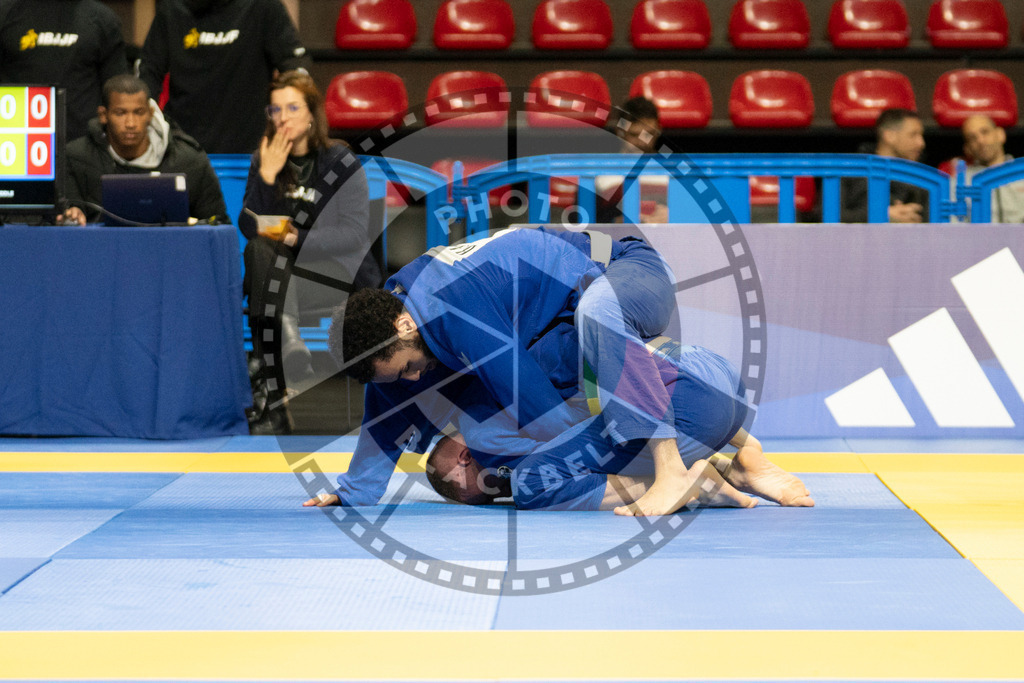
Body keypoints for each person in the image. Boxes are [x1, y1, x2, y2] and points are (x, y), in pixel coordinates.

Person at [309, 227, 721, 516]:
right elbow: (384, 414)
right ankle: (728, 453)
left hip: (630, 270)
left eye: (409, 368)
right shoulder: (400, 325)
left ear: (404, 325)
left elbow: (542, 413)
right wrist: (354, 493)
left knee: (596, 319)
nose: (414, 380)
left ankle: (674, 467)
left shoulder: (455, 307)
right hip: (566, 314)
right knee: (498, 419)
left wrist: (566, 476)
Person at [422, 332, 814, 513]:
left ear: (463, 456)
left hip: (691, 405)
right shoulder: (523, 361)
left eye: (487, 485)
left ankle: (696, 484)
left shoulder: (483, 430)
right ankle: (740, 464)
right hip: (720, 383)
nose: (496, 487)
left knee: (534, 483)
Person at [238, 70, 380, 393]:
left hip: (336, 274)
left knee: (263, 286)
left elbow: (354, 234)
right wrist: (267, 177)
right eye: (275, 110)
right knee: (258, 251)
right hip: (282, 274)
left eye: (292, 108)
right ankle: (288, 337)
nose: (283, 117)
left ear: (311, 115)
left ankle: (269, 376)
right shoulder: (264, 160)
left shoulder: (340, 160)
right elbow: (249, 227)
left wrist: (296, 238)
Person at [137, 0, 312, 154]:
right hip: (184, 148)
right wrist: (148, 120)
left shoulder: (263, 6)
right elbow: (148, 71)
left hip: (251, 149)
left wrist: (291, 110)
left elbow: (294, 65)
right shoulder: (171, 9)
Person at [59, 74, 228, 226]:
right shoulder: (75, 158)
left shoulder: (189, 161)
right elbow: (65, 218)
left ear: (150, 113)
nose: (131, 123)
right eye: (120, 113)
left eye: (139, 112)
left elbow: (219, 224)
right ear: (103, 115)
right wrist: (72, 214)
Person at [0, 0, 129, 141]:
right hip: (16, 139)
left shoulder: (102, 18)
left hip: (84, 142)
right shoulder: (5, 12)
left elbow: (118, 90)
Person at [840, 108, 929, 223]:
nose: (921, 143)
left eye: (921, 136)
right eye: (913, 135)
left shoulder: (922, 178)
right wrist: (880, 215)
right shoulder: (850, 171)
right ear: (889, 136)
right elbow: (826, 215)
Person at [595, 96, 669, 224]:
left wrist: (675, 216)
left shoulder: (674, 170)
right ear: (620, 132)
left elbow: (695, 214)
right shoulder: (599, 173)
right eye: (634, 134)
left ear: (658, 130)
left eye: (649, 134)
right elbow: (579, 220)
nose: (642, 142)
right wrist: (615, 223)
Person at [960, 114, 1024, 224]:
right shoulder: (959, 183)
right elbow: (953, 228)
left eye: (985, 132)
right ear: (967, 148)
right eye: (972, 138)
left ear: (1000, 134)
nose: (980, 141)